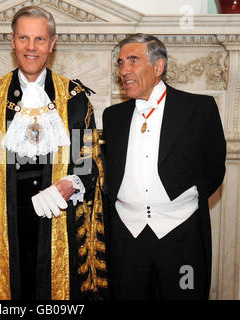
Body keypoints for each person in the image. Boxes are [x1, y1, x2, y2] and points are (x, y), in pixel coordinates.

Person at [0, 6, 107, 300]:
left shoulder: (74, 98)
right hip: (1, 224)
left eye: (39, 39)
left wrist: (70, 184)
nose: (31, 47)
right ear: (12, 41)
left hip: (60, 222)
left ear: (52, 44)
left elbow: (87, 163)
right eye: (24, 38)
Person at [102, 33, 226, 300]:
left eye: (133, 61)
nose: (124, 70)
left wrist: (178, 205)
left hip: (181, 238)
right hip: (127, 238)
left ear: (158, 67)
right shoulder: (112, 117)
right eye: (121, 63)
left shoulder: (198, 108)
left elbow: (214, 168)